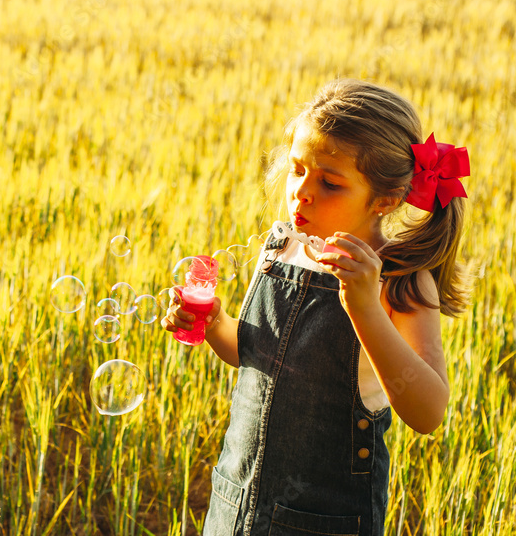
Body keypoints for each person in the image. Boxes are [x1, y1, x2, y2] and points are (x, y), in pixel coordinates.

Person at [161, 78, 472, 536]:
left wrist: (365, 307)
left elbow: (428, 412)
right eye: (296, 169)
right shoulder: (280, 248)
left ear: (385, 199)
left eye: (329, 182)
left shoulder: (399, 281)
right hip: (236, 500)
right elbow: (254, 354)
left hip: (326, 521)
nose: (301, 192)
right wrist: (212, 323)